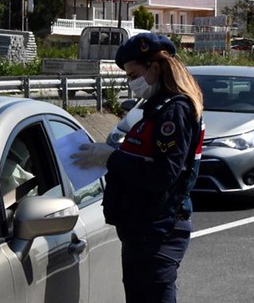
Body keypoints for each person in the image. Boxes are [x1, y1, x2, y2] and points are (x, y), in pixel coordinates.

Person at [73, 32, 205, 303]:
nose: (130, 83)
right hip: (144, 228)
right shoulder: (156, 109)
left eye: (133, 75)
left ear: (154, 68)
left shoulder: (174, 111)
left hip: (159, 229)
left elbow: (163, 174)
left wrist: (111, 158)